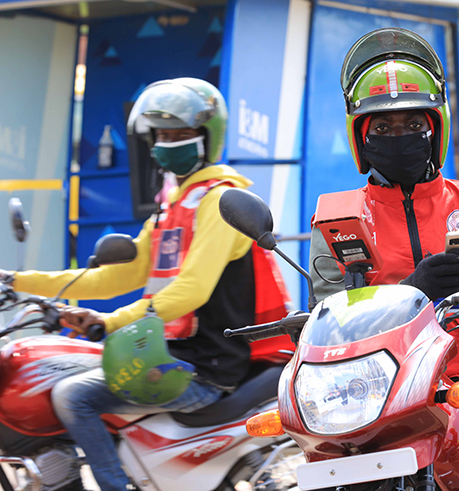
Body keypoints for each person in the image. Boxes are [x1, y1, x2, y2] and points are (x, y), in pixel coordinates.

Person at [0, 77, 290, 491]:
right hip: (171, 354)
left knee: (72, 396)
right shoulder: (172, 208)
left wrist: (110, 322)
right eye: (161, 135)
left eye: (180, 134)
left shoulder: (218, 201)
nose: (168, 143)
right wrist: (17, 280)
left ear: (208, 136)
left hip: (205, 368)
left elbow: (192, 289)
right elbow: (115, 276)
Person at [308, 28, 459, 491]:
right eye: (382, 128)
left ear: (435, 129)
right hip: (372, 397)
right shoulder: (335, 221)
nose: (398, 136)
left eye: (412, 124)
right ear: (361, 137)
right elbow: (326, 328)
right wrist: (408, 294)